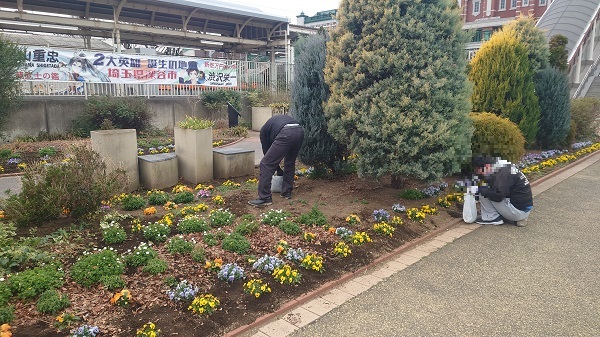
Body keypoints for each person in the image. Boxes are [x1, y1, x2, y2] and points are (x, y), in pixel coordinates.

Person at [248, 114, 304, 206]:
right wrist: (278, 170)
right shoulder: (272, 126)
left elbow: (267, 155)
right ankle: (287, 192)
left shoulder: (263, 132)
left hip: (286, 132)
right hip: (299, 130)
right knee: (290, 162)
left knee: (265, 164)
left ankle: (265, 197)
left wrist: (277, 169)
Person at [471, 155, 533, 226]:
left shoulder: (500, 174)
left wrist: (477, 191)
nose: (478, 173)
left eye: (477, 171)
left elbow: (498, 197)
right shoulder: (504, 166)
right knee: (486, 189)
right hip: (524, 210)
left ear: (487, 166)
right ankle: (515, 218)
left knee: (482, 190)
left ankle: (492, 218)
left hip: (517, 212)